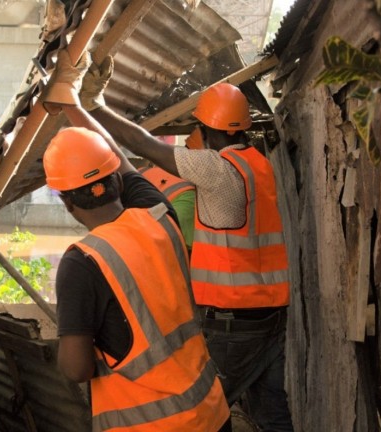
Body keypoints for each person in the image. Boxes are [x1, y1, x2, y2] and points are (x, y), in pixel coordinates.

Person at [77, 55, 294, 431]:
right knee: (274, 420)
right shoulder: (259, 165)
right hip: (272, 320)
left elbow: (138, 142)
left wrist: (91, 105)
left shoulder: (217, 170)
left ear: (206, 130)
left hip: (232, 326)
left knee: (197, 416)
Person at [41, 49, 231, 431]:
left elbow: (75, 368)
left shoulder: (84, 262)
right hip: (209, 411)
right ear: (116, 181)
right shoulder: (158, 214)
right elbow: (119, 159)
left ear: (65, 202)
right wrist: (73, 104)